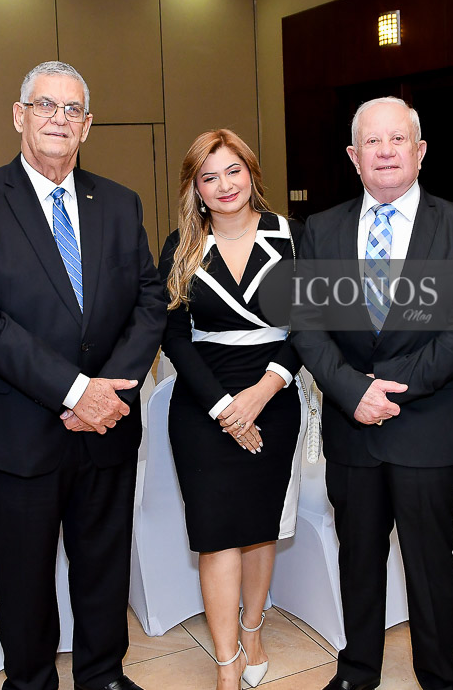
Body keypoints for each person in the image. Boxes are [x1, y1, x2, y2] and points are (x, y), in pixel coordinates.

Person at [0, 60, 166, 690]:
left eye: (72, 110)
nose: (58, 119)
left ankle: (104, 677)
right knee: (24, 580)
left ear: (87, 126)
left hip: (107, 427)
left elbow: (150, 302)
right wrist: (75, 392)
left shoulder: (118, 202)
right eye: (45, 105)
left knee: (104, 568)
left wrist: (109, 390)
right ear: (19, 116)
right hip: (16, 433)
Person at [291, 97, 453, 690]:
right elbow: (306, 324)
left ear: (420, 151)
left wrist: (392, 391)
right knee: (357, 559)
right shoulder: (321, 229)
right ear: (353, 157)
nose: (385, 152)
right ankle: (357, 671)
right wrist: (353, 391)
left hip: (425, 426)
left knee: (430, 564)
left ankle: (441, 677)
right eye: (371, 142)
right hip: (352, 428)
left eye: (397, 139)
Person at [157, 129, 303, 690]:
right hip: (202, 401)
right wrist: (224, 407)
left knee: (260, 527)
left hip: (275, 394)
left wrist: (262, 392)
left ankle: (254, 631)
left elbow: (310, 325)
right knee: (216, 532)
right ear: (195, 187)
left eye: (233, 171)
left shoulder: (292, 236)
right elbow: (174, 336)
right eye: (209, 176)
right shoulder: (181, 245)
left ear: (252, 173)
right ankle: (225, 663)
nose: (224, 185)